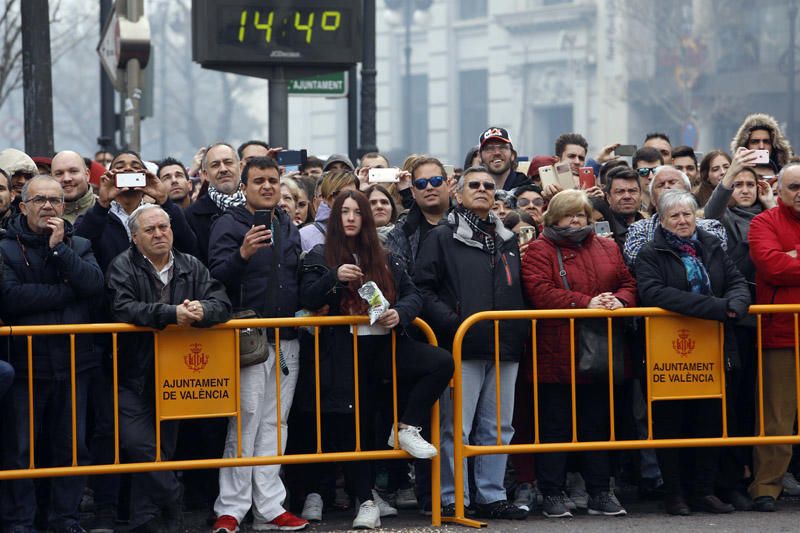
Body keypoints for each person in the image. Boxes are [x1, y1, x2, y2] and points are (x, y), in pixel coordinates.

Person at [296, 190, 452, 529]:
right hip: (343, 353)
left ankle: (407, 427)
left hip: (386, 344)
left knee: (440, 362)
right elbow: (306, 296)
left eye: (358, 212)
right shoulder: (319, 254)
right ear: (335, 218)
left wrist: (400, 314)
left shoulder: (386, 255)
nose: (351, 218)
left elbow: (413, 295)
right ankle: (365, 500)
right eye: (344, 212)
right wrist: (332, 277)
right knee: (357, 429)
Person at [106, 204, 231, 533]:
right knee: (139, 446)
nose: (160, 233)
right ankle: (174, 493)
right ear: (134, 237)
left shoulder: (191, 264)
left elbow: (222, 302)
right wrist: (169, 313)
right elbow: (122, 308)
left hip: (176, 376)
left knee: (163, 450)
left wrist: (203, 310)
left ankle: (148, 522)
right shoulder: (122, 266)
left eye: (164, 227)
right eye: (150, 230)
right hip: (132, 375)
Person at [414, 166, 528, 520]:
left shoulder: (507, 237)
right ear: (458, 193)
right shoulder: (442, 236)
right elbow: (423, 287)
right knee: (454, 427)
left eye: (489, 186)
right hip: (461, 343)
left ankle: (491, 495)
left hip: (505, 342)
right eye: (474, 185)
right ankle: (452, 496)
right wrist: (452, 323)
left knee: (499, 427)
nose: (482, 190)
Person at [207, 156, 308, 533]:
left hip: (287, 338)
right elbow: (215, 276)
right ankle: (231, 508)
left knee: (275, 424)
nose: (267, 187)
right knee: (245, 422)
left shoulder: (287, 223)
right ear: (244, 187)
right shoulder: (227, 224)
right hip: (248, 339)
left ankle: (270, 507)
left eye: (272, 180)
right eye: (259, 181)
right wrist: (243, 254)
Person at [634, 189, 750, 516]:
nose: (683, 221)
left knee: (709, 421)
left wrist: (736, 306)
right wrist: (717, 308)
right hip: (667, 354)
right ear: (663, 220)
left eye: (688, 214)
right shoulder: (650, 252)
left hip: (713, 351)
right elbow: (655, 293)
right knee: (670, 424)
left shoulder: (710, 246)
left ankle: (703, 491)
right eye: (675, 216)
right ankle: (675, 494)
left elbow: (737, 282)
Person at [521, 189, 635, 518]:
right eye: (569, 214)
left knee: (596, 424)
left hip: (599, 351)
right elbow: (539, 290)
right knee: (554, 426)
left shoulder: (608, 246)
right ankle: (552, 493)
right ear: (553, 218)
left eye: (581, 214)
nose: (576, 220)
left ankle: (600, 491)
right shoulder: (540, 248)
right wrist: (587, 303)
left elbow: (628, 281)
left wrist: (621, 300)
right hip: (553, 350)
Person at [0, 176, 104, 533]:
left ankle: (65, 520)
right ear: (23, 205)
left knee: (71, 449)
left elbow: (93, 285)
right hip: (25, 363)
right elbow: (10, 299)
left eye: (55, 200)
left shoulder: (80, 243)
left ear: (64, 206)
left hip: (75, 363)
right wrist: (65, 292)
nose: (48, 206)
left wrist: (61, 251)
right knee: (20, 450)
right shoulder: (4, 247)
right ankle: (20, 522)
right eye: (40, 199)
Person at [748, 161, 800, 512]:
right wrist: (785, 260)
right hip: (780, 332)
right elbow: (772, 266)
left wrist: (792, 258)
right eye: (794, 186)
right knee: (776, 418)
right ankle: (766, 487)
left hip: (783, 325)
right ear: (777, 189)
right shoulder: (763, 222)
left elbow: (786, 265)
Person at [75, 151, 197, 273]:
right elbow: (78, 250)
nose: (128, 169)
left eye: (135, 167)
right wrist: (101, 205)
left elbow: (189, 247)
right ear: (110, 176)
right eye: (119, 167)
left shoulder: (159, 214)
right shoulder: (95, 215)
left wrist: (164, 200)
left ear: (146, 175)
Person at [623, 166, 727, 266]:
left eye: (672, 182)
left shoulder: (712, 226)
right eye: (660, 185)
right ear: (653, 200)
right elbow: (637, 259)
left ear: (688, 193)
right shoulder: (639, 229)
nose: (667, 187)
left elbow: (716, 256)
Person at [386, 156, 451, 275]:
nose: (429, 187)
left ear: (448, 185)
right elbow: (398, 279)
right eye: (421, 184)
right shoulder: (400, 233)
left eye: (436, 181)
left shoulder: (466, 223)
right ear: (413, 192)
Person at [185, 143, 243, 265]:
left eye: (228, 162)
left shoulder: (258, 205)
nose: (223, 169)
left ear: (241, 167)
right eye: (215, 165)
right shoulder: (191, 216)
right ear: (205, 175)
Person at [298, 171, 359, 252]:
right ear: (326, 198)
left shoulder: (367, 233)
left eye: (352, 194)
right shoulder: (304, 236)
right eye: (339, 195)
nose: (347, 199)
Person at [590, 167, 644, 251]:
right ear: (608, 197)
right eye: (620, 191)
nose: (627, 196)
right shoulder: (597, 230)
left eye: (632, 191)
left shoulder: (651, 227)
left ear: (641, 195)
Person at [730, 113, 794, 168]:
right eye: (755, 142)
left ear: (774, 146)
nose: (761, 146)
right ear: (746, 146)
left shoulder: (784, 178)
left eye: (766, 142)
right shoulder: (735, 179)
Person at [51, 151, 96, 224]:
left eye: (73, 171)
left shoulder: (110, 210)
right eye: (59, 174)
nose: (66, 179)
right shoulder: (43, 216)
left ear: (87, 175)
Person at [632, 146, 664, 212]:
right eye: (643, 171)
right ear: (634, 173)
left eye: (656, 171)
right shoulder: (628, 205)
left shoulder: (675, 204)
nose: (651, 177)